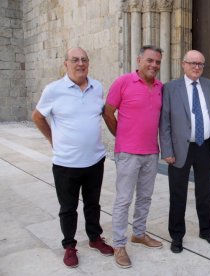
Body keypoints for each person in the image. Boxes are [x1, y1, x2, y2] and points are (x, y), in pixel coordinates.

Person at [32, 47, 114, 268]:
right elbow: (37, 116)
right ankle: (69, 246)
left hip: (95, 160)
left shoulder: (97, 87)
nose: (80, 64)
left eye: (84, 60)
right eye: (75, 60)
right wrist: (53, 140)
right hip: (66, 163)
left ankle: (95, 238)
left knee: (93, 204)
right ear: (65, 63)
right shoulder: (54, 90)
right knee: (68, 208)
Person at [103, 45, 164, 269]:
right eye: (150, 60)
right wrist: (121, 136)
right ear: (139, 60)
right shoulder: (123, 82)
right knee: (123, 199)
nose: (154, 65)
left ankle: (138, 233)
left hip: (151, 151)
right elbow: (108, 111)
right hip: (128, 152)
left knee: (145, 197)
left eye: (157, 62)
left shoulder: (160, 87)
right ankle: (119, 244)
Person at [160, 50, 210, 253]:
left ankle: (206, 230)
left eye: (200, 64)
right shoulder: (170, 88)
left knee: (205, 192)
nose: (197, 67)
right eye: (192, 63)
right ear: (183, 64)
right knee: (178, 194)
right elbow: (165, 122)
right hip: (179, 149)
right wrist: (166, 150)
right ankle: (177, 236)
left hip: (205, 146)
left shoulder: (209, 85)